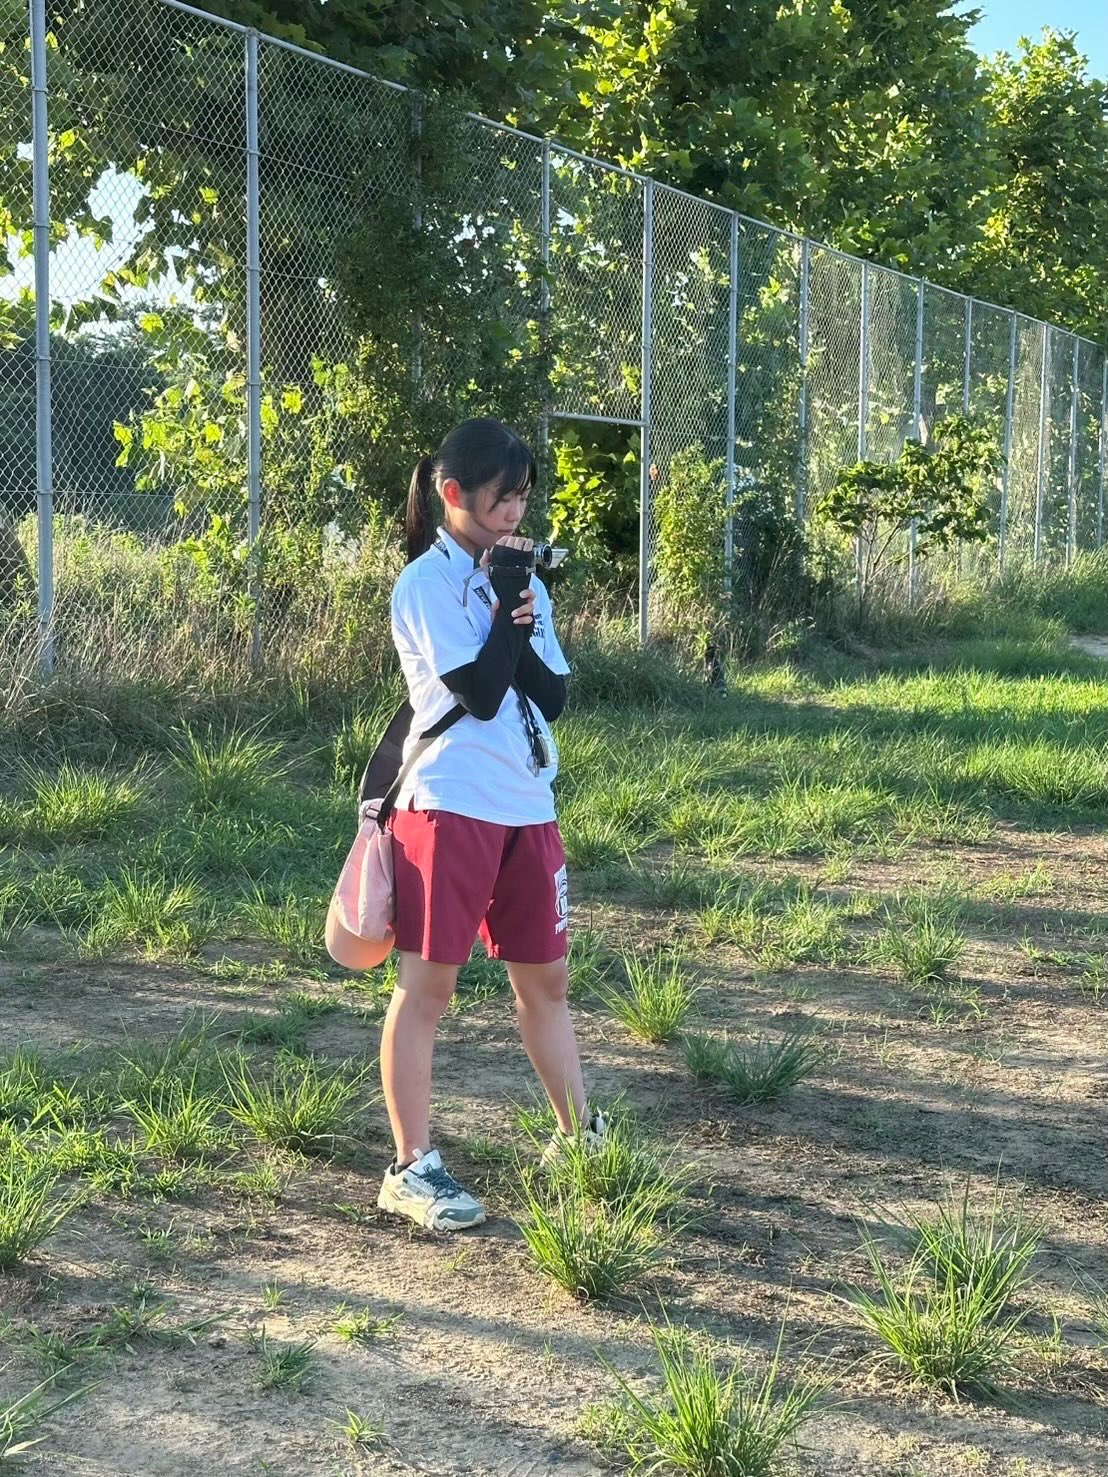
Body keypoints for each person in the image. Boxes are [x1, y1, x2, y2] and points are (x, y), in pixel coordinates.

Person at [376, 417, 605, 1232]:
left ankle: (580, 1135)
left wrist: (521, 607)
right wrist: (507, 605)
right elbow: (475, 694)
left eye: (522, 499)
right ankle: (411, 1166)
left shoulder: (523, 580)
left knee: (547, 982)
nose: (515, 514)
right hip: (450, 805)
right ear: (454, 494)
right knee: (428, 987)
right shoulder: (425, 584)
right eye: (502, 499)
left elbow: (551, 694)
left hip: (527, 802)